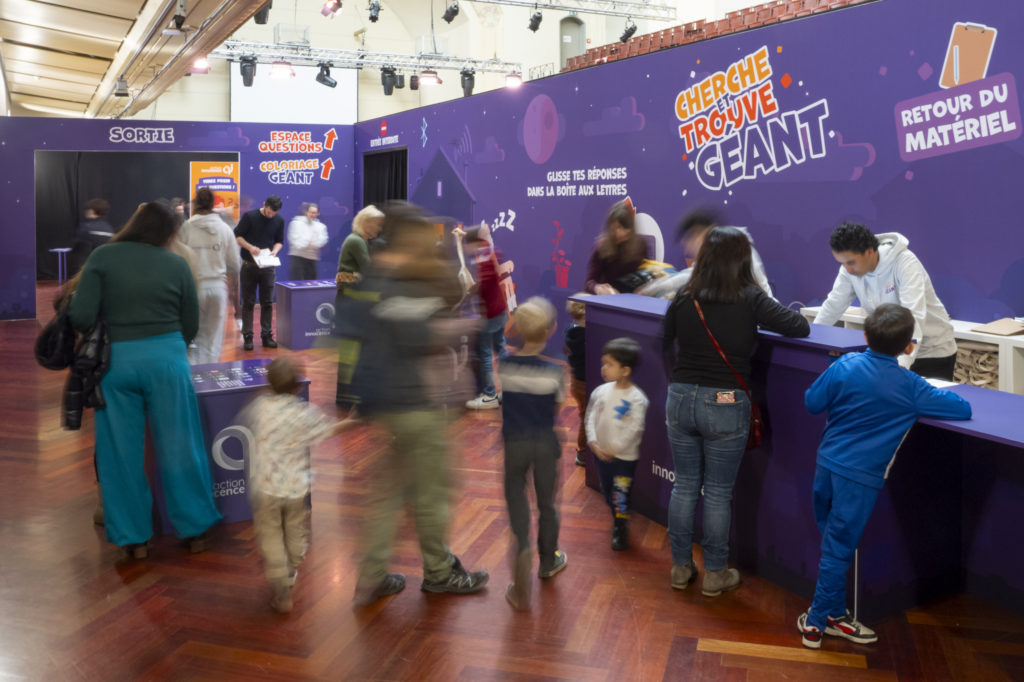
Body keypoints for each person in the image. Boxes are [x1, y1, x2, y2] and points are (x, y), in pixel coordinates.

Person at [798, 303, 971, 649]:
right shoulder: (911, 385)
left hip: (826, 465)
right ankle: (816, 624)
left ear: (864, 335)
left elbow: (812, 402)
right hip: (860, 479)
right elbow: (961, 409)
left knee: (832, 540)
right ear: (910, 347)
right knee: (838, 547)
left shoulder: (845, 365)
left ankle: (831, 613)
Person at [343, 204, 488, 606]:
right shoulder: (406, 278)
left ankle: (371, 576)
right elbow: (417, 336)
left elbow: (351, 325)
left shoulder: (374, 270)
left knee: (388, 491)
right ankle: (440, 572)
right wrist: (462, 325)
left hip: (383, 400)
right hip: (415, 402)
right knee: (433, 490)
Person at [68, 202, 221, 559]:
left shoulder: (103, 257)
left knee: (120, 453)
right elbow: (191, 324)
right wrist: (168, 346)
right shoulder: (177, 263)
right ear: (169, 233)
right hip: (168, 360)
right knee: (181, 445)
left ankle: (133, 539)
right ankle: (195, 528)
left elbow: (81, 315)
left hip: (116, 364)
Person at [663, 226, 809, 596]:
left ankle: (680, 568)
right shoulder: (749, 297)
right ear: (742, 260)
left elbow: (664, 342)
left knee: (684, 486)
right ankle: (715, 573)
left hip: (679, 397)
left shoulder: (684, 295)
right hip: (724, 403)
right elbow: (799, 326)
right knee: (716, 493)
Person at [243, 357, 358, 612]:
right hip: (296, 487)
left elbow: (248, 424)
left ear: (268, 384)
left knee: (270, 532)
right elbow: (327, 431)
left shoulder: (259, 407)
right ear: (297, 387)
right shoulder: (304, 413)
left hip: (265, 486)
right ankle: (293, 565)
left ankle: (280, 581)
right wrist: (351, 421)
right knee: (295, 530)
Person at [814, 222, 958, 379]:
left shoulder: (904, 262)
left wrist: (902, 365)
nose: (847, 269)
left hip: (932, 352)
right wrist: (811, 341)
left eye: (851, 262)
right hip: (892, 353)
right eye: (842, 263)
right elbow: (833, 305)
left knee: (926, 402)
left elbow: (913, 316)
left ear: (869, 251)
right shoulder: (849, 271)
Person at [498, 296, 568, 610]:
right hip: (544, 443)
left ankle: (523, 546)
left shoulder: (505, 365)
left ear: (518, 330)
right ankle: (549, 559)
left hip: (514, 442)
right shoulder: (555, 373)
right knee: (547, 503)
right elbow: (555, 409)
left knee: (515, 495)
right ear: (551, 330)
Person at [585, 337, 649, 551]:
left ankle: (620, 526)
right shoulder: (600, 392)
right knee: (607, 491)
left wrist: (614, 449)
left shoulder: (637, 398)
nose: (603, 368)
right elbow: (590, 417)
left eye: (609, 364)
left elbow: (635, 429)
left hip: (624, 460)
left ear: (625, 370)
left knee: (620, 494)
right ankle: (617, 514)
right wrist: (593, 443)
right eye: (603, 363)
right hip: (601, 456)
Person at [638, 209, 773, 300]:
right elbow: (688, 275)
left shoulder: (735, 251)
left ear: (704, 233)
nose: (688, 250)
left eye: (689, 241)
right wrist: (651, 289)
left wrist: (652, 289)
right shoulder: (714, 253)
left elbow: (690, 277)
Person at [178, 187, 242, 365]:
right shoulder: (225, 229)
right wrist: (231, 287)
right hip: (217, 288)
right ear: (213, 204)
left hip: (194, 288)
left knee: (193, 336)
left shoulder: (187, 228)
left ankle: (194, 378)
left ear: (196, 203)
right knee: (213, 338)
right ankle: (210, 376)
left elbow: (178, 259)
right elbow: (234, 264)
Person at [455, 224, 511, 410]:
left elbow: (483, 285)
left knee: (485, 354)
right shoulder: (490, 250)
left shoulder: (483, 256)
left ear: (471, 243)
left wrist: (471, 291)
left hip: (490, 313)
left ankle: (489, 395)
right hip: (500, 309)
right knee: (500, 348)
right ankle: (509, 389)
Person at [335, 204, 385, 407]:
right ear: (366, 224)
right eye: (377, 224)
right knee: (352, 351)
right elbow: (368, 270)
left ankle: (349, 396)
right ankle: (349, 397)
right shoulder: (357, 241)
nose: (379, 229)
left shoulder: (359, 240)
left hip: (351, 298)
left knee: (351, 350)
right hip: (351, 299)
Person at [235, 195, 285, 351]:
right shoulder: (250, 216)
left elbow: (279, 241)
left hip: (268, 266)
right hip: (249, 265)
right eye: (269, 212)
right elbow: (237, 236)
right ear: (264, 205)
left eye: (274, 213)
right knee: (249, 303)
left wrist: (275, 251)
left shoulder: (279, 221)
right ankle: (248, 337)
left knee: (267, 303)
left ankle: (267, 336)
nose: (271, 216)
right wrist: (250, 248)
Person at [584, 199, 649, 295]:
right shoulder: (601, 246)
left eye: (623, 228)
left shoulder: (641, 245)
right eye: (615, 228)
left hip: (634, 300)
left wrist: (646, 288)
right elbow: (589, 283)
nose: (619, 233)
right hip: (609, 299)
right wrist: (597, 288)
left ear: (631, 228)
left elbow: (647, 274)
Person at [564, 294, 589, 466]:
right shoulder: (585, 336)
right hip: (583, 382)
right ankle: (583, 453)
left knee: (584, 414)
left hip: (576, 381)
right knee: (586, 418)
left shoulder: (572, 330)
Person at [71, 198, 115, 275]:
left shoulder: (86, 229)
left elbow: (78, 250)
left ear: (91, 211)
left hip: (89, 271)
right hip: (108, 270)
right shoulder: (109, 229)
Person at [287, 202, 329, 281]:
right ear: (306, 212)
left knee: (311, 285)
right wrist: (309, 244)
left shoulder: (321, 226)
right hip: (297, 258)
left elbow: (323, 240)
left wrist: (311, 244)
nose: (313, 215)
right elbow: (295, 242)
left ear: (318, 213)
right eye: (311, 212)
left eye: (315, 213)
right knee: (297, 284)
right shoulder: (296, 223)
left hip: (312, 259)